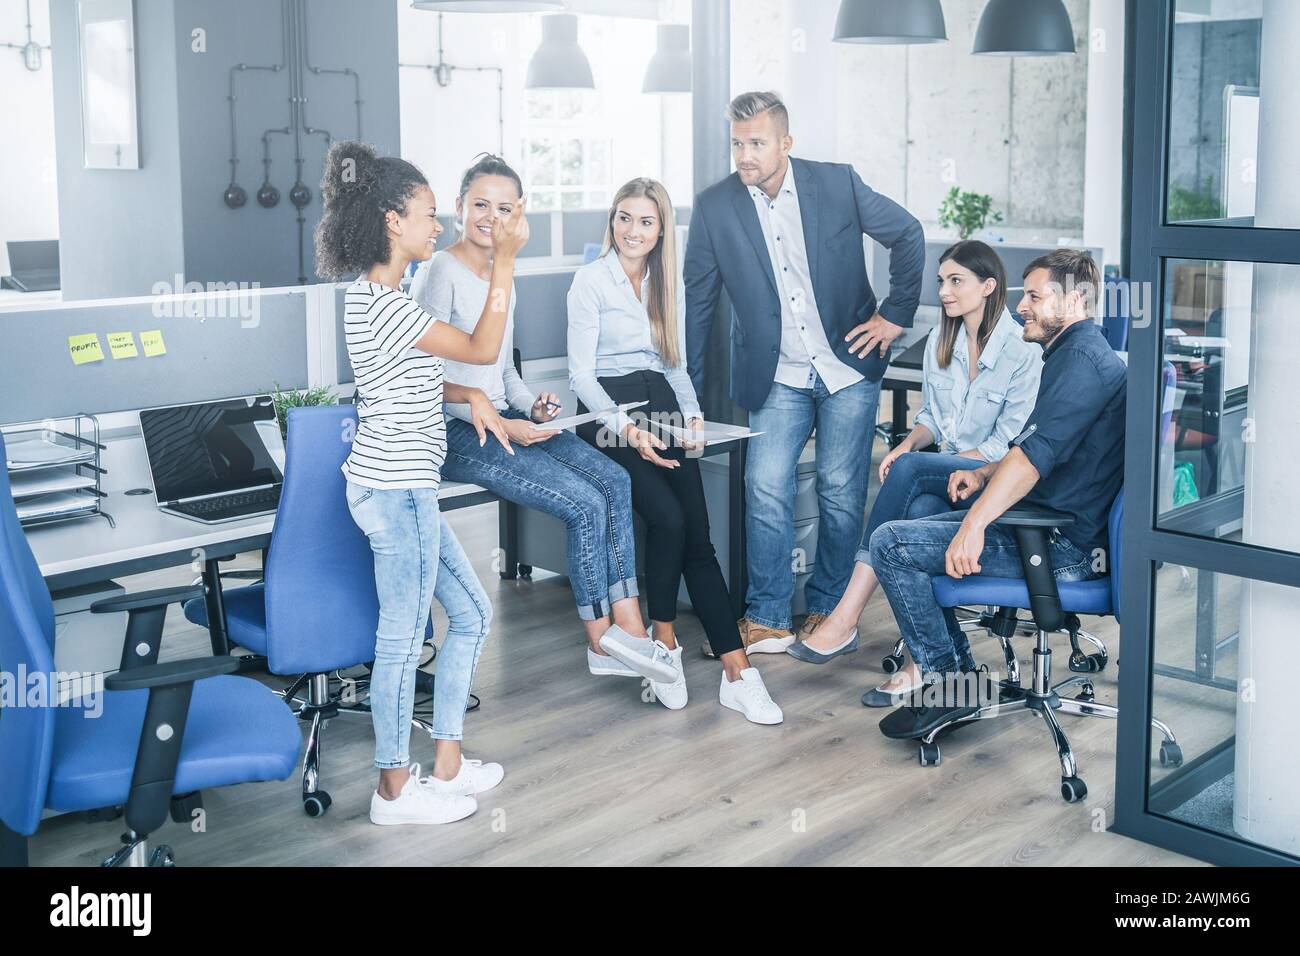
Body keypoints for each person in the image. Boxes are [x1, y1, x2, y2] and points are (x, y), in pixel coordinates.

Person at [315, 140, 528, 826]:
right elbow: (483, 347)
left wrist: (471, 396)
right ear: (389, 221)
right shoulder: (386, 306)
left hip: (408, 489)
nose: (436, 227)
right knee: (404, 641)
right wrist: (506, 260)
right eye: (427, 215)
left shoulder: (381, 298)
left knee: (470, 613)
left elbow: (425, 375)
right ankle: (392, 792)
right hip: (396, 491)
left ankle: (446, 763)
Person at [684, 90, 926, 657]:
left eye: (757, 143)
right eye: (738, 143)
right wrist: (690, 396)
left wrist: (895, 315)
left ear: (785, 144)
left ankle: (830, 608)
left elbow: (908, 234)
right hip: (777, 374)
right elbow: (698, 304)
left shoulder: (836, 184)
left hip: (848, 364)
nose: (744, 154)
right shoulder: (716, 206)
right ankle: (768, 616)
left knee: (841, 490)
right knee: (764, 483)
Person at [409, 154, 665, 688]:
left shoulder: (505, 274)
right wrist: (503, 424)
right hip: (453, 428)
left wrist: (530, 408)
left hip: (502, 416)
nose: (491, 217)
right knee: (582, 503)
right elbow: (422, 377)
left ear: (518, 213)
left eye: (504, 208)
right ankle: (602, 641)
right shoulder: (441, 270)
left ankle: (631, 627)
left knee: (614, 481)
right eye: (480, 205)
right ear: (459, 206)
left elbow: (504, 371)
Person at [866, 249, 1123, 742]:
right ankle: (957, 684)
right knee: (907, 529)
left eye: (1033, 296)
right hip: (1047, 524)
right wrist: (984, 474)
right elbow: (1033, 448)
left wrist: (974, 525)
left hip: (1061, 548)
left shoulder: (1081, 363)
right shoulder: (1074, 354)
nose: (1021, 305)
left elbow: (1033, 459)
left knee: (892, 546)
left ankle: (949, 684)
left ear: (1073, 300)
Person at [786, 241, 1042, 708]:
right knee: (915, 511)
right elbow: (930, 418)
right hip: (941, 480)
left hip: (993, 483)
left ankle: (846, 614)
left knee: (913, 472)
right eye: (941, 281)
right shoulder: (941, 343)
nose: (943, 291)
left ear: (988, 287)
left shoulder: (1022, 349)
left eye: (955, 281)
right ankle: (923, 663)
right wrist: (907, 444)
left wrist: (926, 462)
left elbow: (1007, 445)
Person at [567, 178, 783, 724]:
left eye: (645, 221)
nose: (632, 230)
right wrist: (627, 427)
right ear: (612, 220)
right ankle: (664, 643)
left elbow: (674, 364)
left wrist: (690, 418)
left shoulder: (668, 285)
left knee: (699, 539)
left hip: (660, 402)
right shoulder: (589, 281)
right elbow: (581, 375)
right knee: (666, 518)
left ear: (662, 229)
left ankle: (739, 675)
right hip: (607, 413)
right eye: (623, 217)